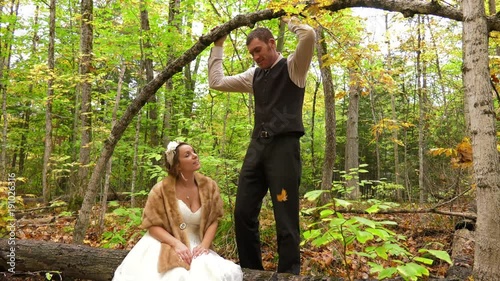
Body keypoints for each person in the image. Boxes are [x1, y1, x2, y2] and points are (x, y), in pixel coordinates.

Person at [208, 16, 316, 275]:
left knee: (285, 218)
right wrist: (218, 45)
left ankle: (288, 275)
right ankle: (251, 272)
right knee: (243, 213)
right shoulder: (253, 76)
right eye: (251, 53)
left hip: (284, 150)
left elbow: (309, 35)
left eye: (258, 50)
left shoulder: (293, 67)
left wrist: (287, 16)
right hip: (257, 148)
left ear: (271, 43)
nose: (255, 57)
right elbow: (216, 82)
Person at [112, 141, 243, 281]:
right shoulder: (160, 189)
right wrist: (177, 244)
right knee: (176, 274)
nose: (194, 156)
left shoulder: (209, 186)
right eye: (187, 155)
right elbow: (152, 226)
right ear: (178, 165)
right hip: (165, 242)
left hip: (196, 245)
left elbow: (214, 220)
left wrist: (204, 245)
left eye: (193, 152)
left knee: (209, 271)